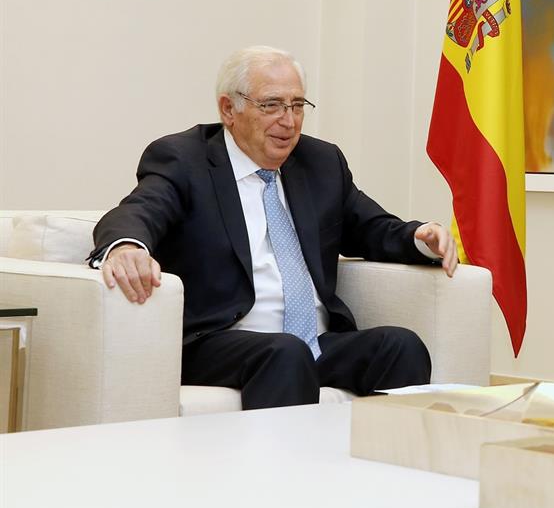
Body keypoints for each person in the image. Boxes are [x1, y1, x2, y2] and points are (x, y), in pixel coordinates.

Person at [88, 46, 459, 409]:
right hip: (218, 340)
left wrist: (419, 237)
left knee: (400, 346)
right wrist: (127, 247)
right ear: (228, 109)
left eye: (298, 105)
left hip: (313, 342)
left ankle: (388, 466)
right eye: (272, 105)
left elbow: (371, 227)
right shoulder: (185, 160)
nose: (289, 120)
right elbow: (138, 211)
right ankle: (286, 471)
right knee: (284, 352)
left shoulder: (321, 162)